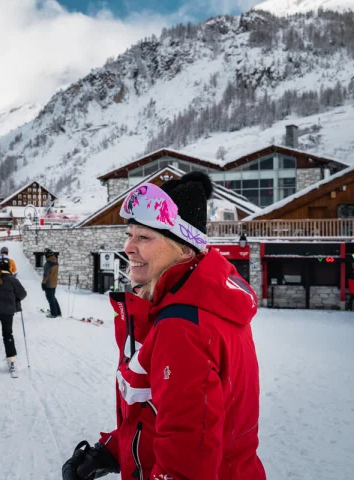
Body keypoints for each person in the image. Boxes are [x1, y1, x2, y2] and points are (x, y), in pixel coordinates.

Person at [62, 172, 265, 480]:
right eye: (129, 235)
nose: (129, 247)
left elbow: (186, 463)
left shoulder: (184, 326)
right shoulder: (207, 305)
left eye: (144, 237)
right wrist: (114, 450)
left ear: (184, 249)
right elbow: (165, 416)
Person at [42, 248, 61, 318]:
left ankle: (54, 313)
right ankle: (58, 312)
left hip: (49, 283)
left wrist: (43, 283)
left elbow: (46, 275)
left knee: (50, 298)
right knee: (53, 297)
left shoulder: (48, 264)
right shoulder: (56, 262)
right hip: (54, 283)